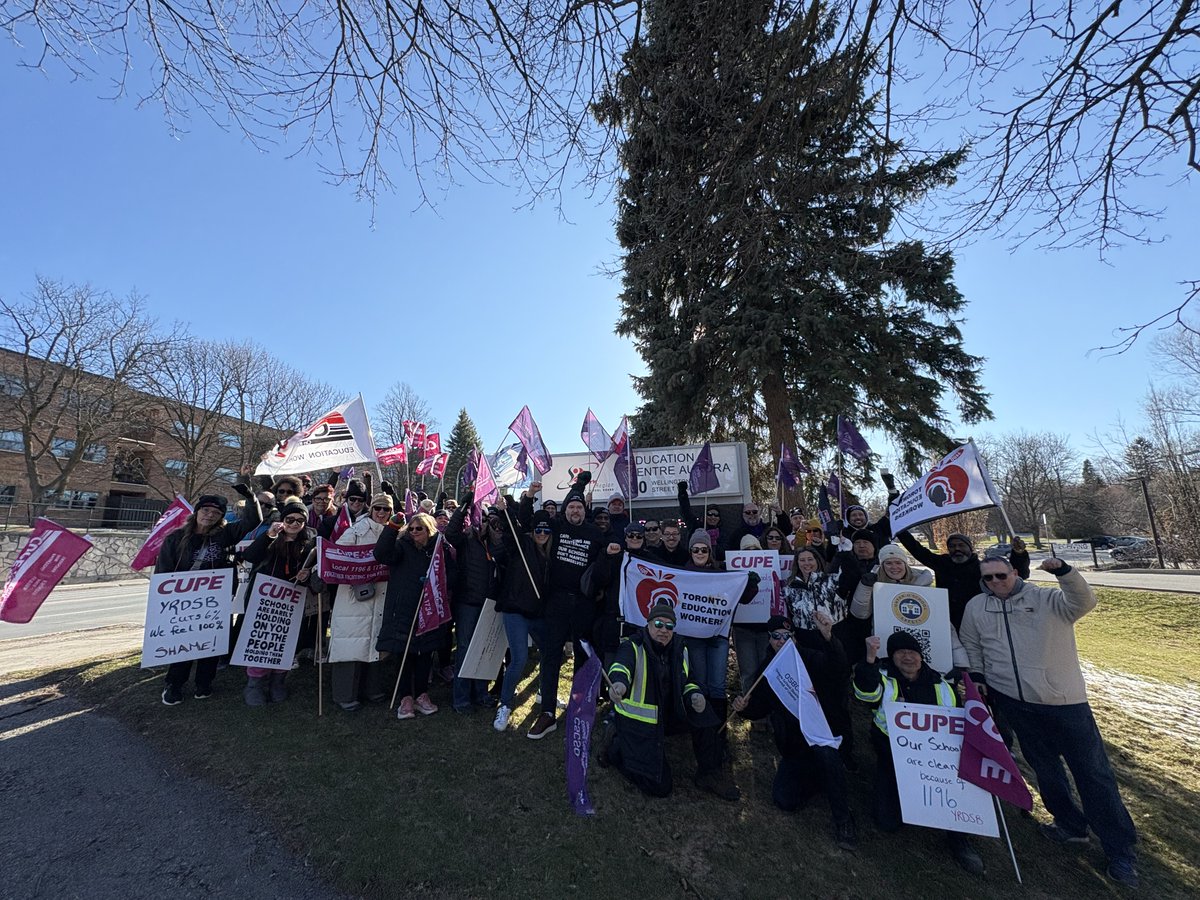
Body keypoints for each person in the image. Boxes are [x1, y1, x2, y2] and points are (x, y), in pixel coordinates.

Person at [960, 556, 1139, 888]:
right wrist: (978, 676)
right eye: (988, 578)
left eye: (1001, 575)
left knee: (1093, 774)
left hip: (1064, 703)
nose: (996, 582)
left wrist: (1065, 572)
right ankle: (1069, 824)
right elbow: (971, 643)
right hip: (1013, 701)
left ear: (1015, 573)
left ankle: (1120, 850)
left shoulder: (1046, 599)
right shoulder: (976, 607)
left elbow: (1084, 602)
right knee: (1045, 768)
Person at [853, 631, 986, 875]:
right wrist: (869, 659)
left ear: (921, 656)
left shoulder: (942, 685)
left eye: (912, 652)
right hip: (892, 757)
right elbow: (865, 693)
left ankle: (959, 839)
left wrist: (971, 704)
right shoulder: (884, 679)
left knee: (954, 798)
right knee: (886, 822)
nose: (907, 657)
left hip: (937, 762)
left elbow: (960, 722)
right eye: (900, 653)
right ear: (892, 658)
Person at [732, 615, 857, 850]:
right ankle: (821, 779)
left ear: (794, 638)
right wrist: (743, 709)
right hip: (795, 748)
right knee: (784, 800)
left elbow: (838, 668)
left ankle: (844, 820)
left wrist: (829, 638)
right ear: (769, 639)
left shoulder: (809, 658)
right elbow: (758, 707)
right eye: (776, 637)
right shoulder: (769, 670)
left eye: (786, 636)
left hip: (823, 738)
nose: (781, 641)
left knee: (827, 756)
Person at [603, 602, 739, 801]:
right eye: (658, 624)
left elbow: (689, 680)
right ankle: (615, 748)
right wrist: (619, 685)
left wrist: (694, 695)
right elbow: (620, 668)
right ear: (648, 624)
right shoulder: (632, 646)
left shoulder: (680, 648)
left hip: (670, 714)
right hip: (640, 725)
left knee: (705, 714)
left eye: (669, 626)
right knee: (661, 787)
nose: (663, 630)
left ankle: (709, 773)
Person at [518, 472, 607, 739]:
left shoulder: (595, 533)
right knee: (551, 655)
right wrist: (529, 497)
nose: (575, 510)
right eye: (571, 507)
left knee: (582, 656)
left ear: (585, 510)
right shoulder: (556, 526)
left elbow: (608, 559)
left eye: (579, 507)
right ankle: (547, 712)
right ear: (565, 510)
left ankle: (579, 707)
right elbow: (527, 520)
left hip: (583, 604)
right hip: (555, 602)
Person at [156, 490, 262, 705]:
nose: (210, 515)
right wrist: (165, 599)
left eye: (216, 513)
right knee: (183, 643)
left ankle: (204, 683)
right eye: (206, 510)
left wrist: (251, 497)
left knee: (212, 643)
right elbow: (163, 571)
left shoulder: (226, 534)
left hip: (216, 600)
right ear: (197, 512)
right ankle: (174, 684)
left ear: (221, 517)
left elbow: (253, 521)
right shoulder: (175, 538)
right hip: (184, 602)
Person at [239, 496, 316, 705]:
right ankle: (254, 683)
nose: (294, 524)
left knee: (285, 642)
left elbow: (311, 567)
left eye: (300, 520)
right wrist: (268, 536)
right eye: (290, 519)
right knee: (261, 640)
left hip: (291, 601)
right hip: (264, 598)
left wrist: (306, 573)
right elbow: (251, 556)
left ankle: (278, 681)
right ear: (283, 520)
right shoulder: (271, 537)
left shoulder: (308, 543)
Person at [375, 511, 450, 720]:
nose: (415, 532)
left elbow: (450, 572)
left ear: (429, 530)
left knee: (425, 653)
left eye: (419, 529)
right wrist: (392, 528)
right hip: (403, 609)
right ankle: (406, 697)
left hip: (429, 608)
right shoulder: (401, 546)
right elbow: (381, 554)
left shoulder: (438, 549)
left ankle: (422, 695)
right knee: (405, 654)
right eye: (412, 528)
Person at [326, 493, 393, 711]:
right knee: (351, 643)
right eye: (378, 508)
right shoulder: (357, 530)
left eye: (386, 509)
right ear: (371, 509)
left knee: (375, 643)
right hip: (354, 597)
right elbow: (338, 554)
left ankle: (371, 689)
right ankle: (344, 693)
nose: (381, 513)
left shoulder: (395, 532)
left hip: (382, 595)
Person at [895, 530, 1026, 631]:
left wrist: (1019, 554)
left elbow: (1018, 574)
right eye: (952, 546)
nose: (957, 549)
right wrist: (899, 529)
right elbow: (917, 550)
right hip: (947, 622)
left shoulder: (982, 567)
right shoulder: (942, 563)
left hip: (977, 621)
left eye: (961, 545)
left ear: (970, 548)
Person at [493, 504, 551, 731]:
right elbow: (513, 528)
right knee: (519, 659)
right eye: (538, 530)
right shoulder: (522, 544)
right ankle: (505, 704)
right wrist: (510, 508)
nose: (542, 534)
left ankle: (545, 693)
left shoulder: (551, 553)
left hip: (538, 613)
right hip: (515, 611)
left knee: (550, 653)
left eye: (546, 531)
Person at [446, 491, 504, 713]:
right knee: (464, 649)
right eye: (480, 519)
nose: (483, 523)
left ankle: (481, 693)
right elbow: (451, 533)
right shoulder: (466, 540)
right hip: (467, 603)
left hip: (489, 604)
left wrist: (500, 521)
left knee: (484, 650)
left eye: (487, 520)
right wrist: (463, 508)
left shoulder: (495, 544)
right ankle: (461, 698)